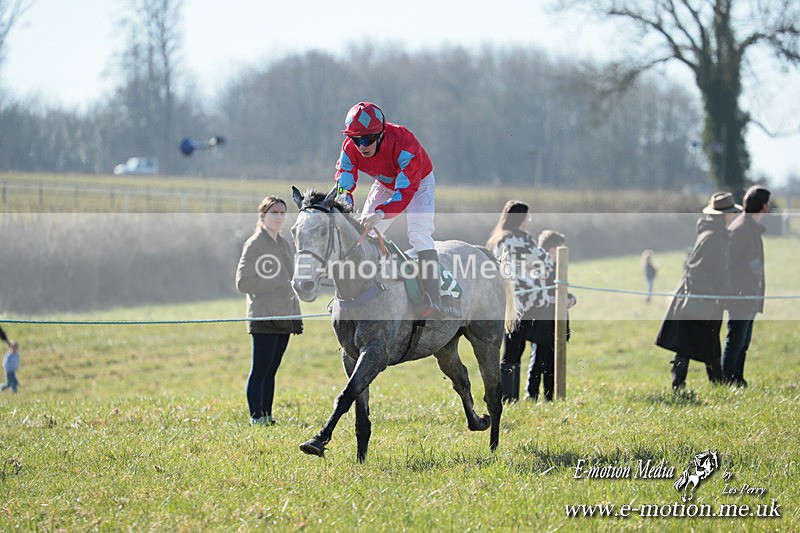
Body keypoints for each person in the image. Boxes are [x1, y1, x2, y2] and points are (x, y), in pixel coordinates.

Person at [334, 101, 456, 319]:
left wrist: (380, 213)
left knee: (418, 234)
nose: (361, 145)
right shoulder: (349, 148)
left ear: (380, 134)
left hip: (418, 183)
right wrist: (345, 202)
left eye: (367, 139)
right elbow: (344, 179)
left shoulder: (404, 142)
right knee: (364, 233)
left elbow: (405, 191)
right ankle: (356, 293)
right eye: (356, 139)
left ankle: (434, 300)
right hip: (385, 183)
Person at [655, 192, 741, 390]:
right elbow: (696, 271)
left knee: (700, 345)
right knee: (694, 346)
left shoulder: (715, 235)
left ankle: (711, 385)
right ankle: (701, 385)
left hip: (702, 301)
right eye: (731, 212)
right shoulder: (712, 238)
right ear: (724, 215)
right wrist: (711, 295)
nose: (733, 216)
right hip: (700, 301)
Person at [236, 195, 303, 425]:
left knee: (272, 369)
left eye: (282, 212)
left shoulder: (283, 243)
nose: (279, 217)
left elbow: (290, 281)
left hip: (284, 315)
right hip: (264, 315)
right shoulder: (254, 244)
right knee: (260, 370)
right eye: (274, 212)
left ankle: (267, 415)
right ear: (263, 215)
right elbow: (243, 282)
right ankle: (256, 418)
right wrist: (275, 282)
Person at [486, 201, 554, 402]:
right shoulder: (516, 240)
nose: (528, 221)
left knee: (513, 351)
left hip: (518, 302)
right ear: (521, 219)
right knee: (520, 350)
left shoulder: (502, 240)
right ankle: (513, 397)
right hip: (527, 303)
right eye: (527, 217)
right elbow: (545, 263)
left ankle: (510, 397)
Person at [722, 186, 770, 387]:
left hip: (749, 295)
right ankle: (727, 381)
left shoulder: (749, 226)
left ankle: (738, 379)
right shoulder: (742, 228)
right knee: (736, 340)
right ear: (764, 207)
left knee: (743, 341)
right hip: (740, 295)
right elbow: (729, 263)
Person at [527, 230, 576, 401]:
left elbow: (564, 291)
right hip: (542, 325)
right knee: (538, 361)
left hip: (557, 323)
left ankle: (550, 397)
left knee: (553, 363)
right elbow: (540, 294)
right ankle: (531, 395)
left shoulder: (557, 270)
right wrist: (559, 300)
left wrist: (571, 299)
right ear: (553, 250)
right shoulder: (540, 269)